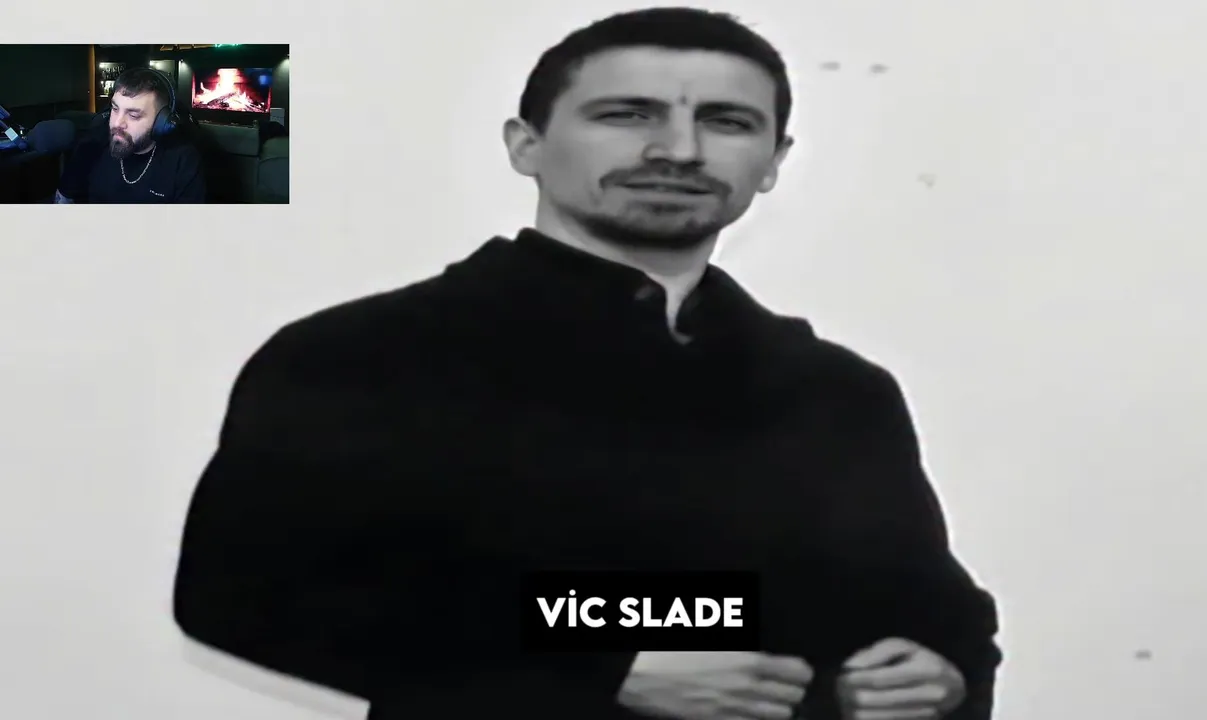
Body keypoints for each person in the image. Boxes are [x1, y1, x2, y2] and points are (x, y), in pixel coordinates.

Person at [172, 8, 1001, 720]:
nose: (679, 149)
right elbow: (241, 595)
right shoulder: (360, 357)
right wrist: (602, 665)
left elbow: (938, 614)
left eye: (727, 122)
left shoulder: (837, 389)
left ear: (776, 160)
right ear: (525, 145)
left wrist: (941, 672)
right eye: (627, 115)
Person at [55, 67, 205, 203]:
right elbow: (64, 201)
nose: (117, 123)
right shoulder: (91, 145)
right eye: (115, 109)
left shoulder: (183, 160)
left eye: (133, 115)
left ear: (162, 122)